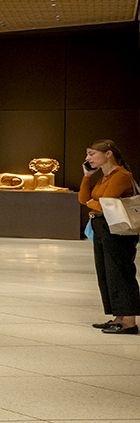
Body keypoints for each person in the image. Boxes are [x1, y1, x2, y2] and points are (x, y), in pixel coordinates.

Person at [80, 140, 138, 334]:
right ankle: (118, 317)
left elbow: (106, 203)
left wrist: (92, 202)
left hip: (117, 229)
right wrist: (87, 177)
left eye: (91, 154)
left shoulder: (121, 175)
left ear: (108, 154)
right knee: (106, 273)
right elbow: (83, 199)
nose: (88, 158)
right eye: (87, 154)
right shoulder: (104, 177)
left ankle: (129, 321)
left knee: (120, 272)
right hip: (101, 227)